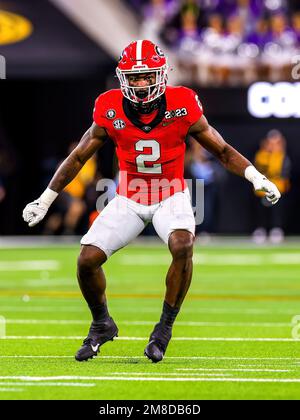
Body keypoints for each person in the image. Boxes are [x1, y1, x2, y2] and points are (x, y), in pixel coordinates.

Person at [22, 39, 281, 363]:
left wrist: (256, 177)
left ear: (160, 76)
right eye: (134, 77)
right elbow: (77, 157)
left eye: (147, 76)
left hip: (170, 193)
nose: (141, 83)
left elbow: (223, 151)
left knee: (182, 245)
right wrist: (45, 199)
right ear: (123, 79)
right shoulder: (109, 106)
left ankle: (164, 329)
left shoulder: (182, 103)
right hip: (129, 196)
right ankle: (102, 323)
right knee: (87, 260)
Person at [252, 129, 291, 244]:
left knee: (276, 211)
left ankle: (276, 230)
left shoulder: (282, 156)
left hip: (278, 188)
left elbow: (283, 172)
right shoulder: (261, 155)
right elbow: (260, 169)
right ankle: (261, 230)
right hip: (262, 190)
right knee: (261, 211)